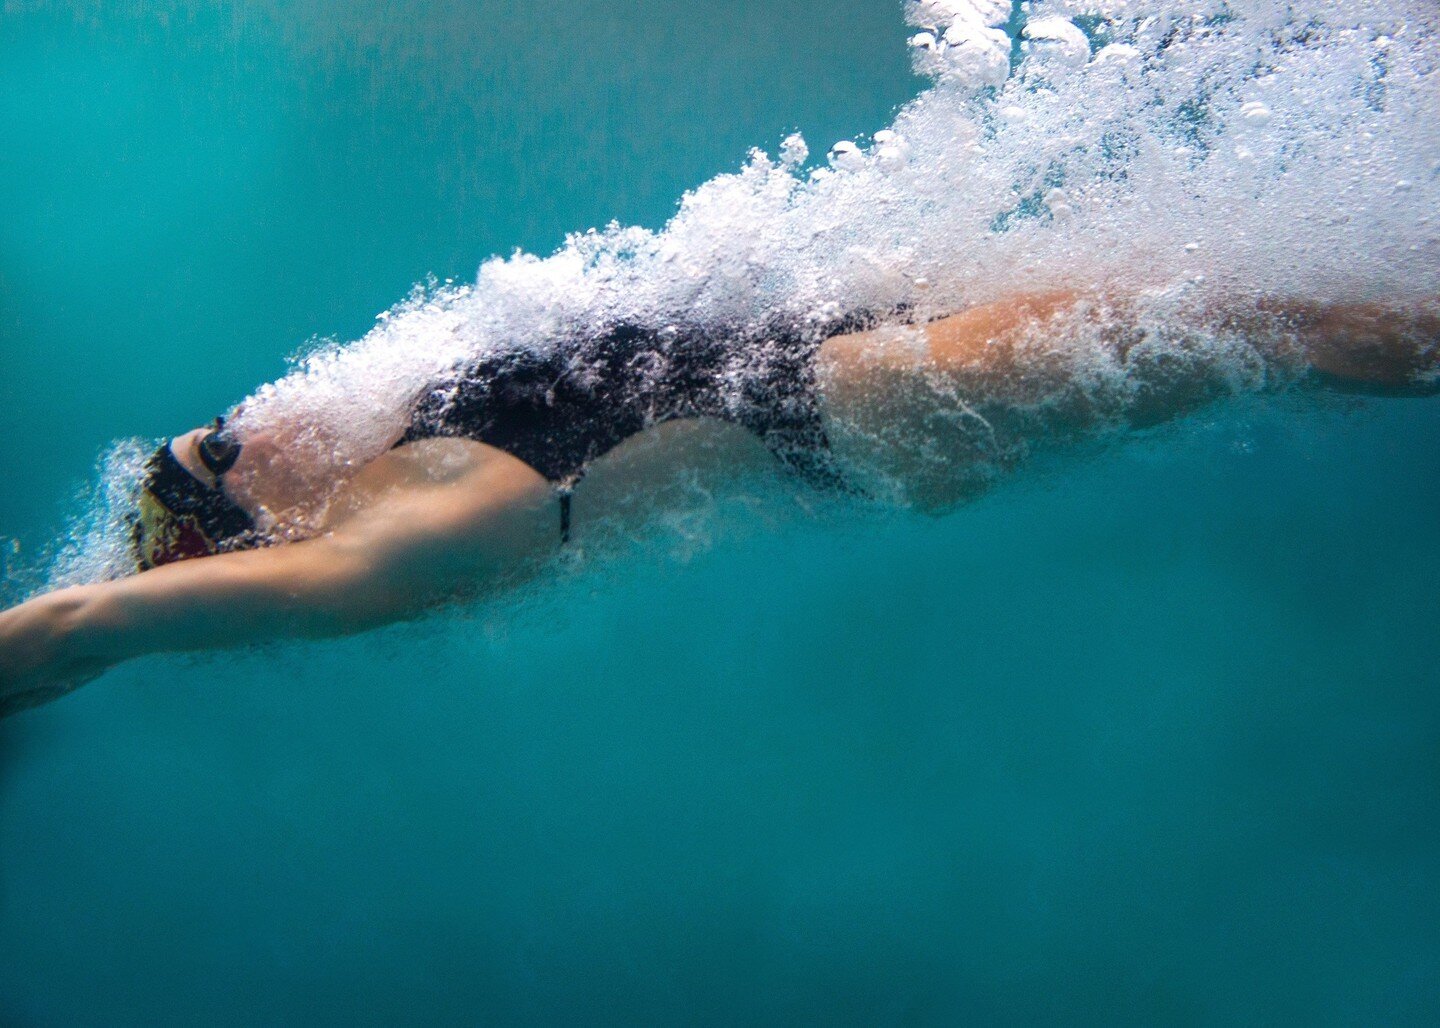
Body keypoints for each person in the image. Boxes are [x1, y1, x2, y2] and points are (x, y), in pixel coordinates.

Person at [1, 289, 1435, 717]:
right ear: (245, 536)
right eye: (217, 466)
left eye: (208, 432)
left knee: (1255, 309)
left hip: (852, 356)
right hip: (867, 408)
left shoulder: (400, 436)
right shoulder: (390, 548)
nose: (239, 429)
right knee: (1267, 324)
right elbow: (70, 629)